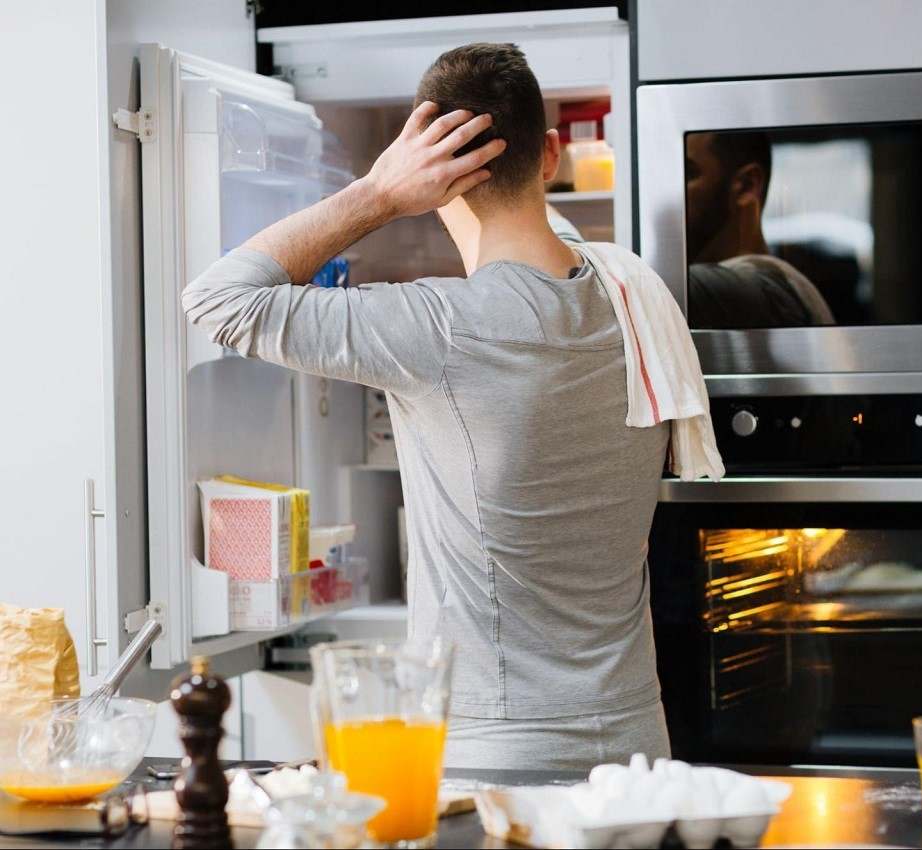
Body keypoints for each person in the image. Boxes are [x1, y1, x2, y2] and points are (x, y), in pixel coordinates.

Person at [183, 43, 711, 770]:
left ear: (428, 169)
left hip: (497, 759)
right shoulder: (630, 297)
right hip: (635, 749)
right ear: (551, 153)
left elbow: (217, 300)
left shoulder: (438, 327)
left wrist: (378, 194)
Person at [684, 131, 836, 329]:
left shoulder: (766, 288)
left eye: (688, 173)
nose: (666, 194)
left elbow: (641, 289)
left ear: (747, 185)